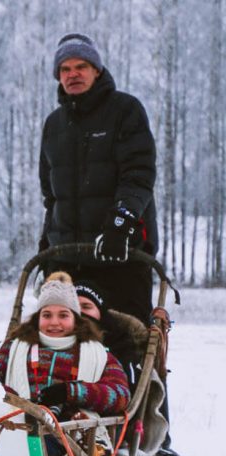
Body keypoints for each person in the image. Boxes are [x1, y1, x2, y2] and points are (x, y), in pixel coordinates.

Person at [38, 33, 158, 326]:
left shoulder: (125, 110)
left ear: (97, 70)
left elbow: (138, 176)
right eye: (65, 69)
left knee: (127, 339)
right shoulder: (54, 125)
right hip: (67, 261)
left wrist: (120, 223)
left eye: (81, 66)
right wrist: (46, 247)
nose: (73, 74)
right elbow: (51, 196)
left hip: (120, 255)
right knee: (63, 344)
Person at [0, 272, 130, 420]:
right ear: (38, 318)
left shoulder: (99, 355)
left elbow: (120, 395)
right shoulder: (14, 347)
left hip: (72, 432)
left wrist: (70, 392)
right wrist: (13, 398)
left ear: (76, 320)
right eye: (47, 315)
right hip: (17, 424)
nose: (54, 322)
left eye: (63, 315)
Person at [75, 280, 185, 456]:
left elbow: (124, 394)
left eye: (86, 306)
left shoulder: (120, 347)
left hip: (105, 416)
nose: (80, 313)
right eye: (74, 307)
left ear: (101, 312)